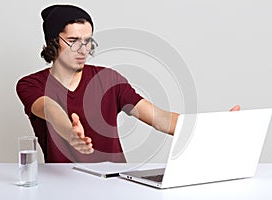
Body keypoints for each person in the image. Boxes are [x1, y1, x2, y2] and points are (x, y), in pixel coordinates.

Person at [16, 4, 240, 163]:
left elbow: (160, 119)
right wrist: (69, 132)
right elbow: (49, 108)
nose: (83, 50)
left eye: (88, 41)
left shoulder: (108, 80)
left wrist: (213, 128)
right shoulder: (30, 84)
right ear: (53, 43)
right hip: (60, 187)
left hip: (114, 186)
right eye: (73, 41)